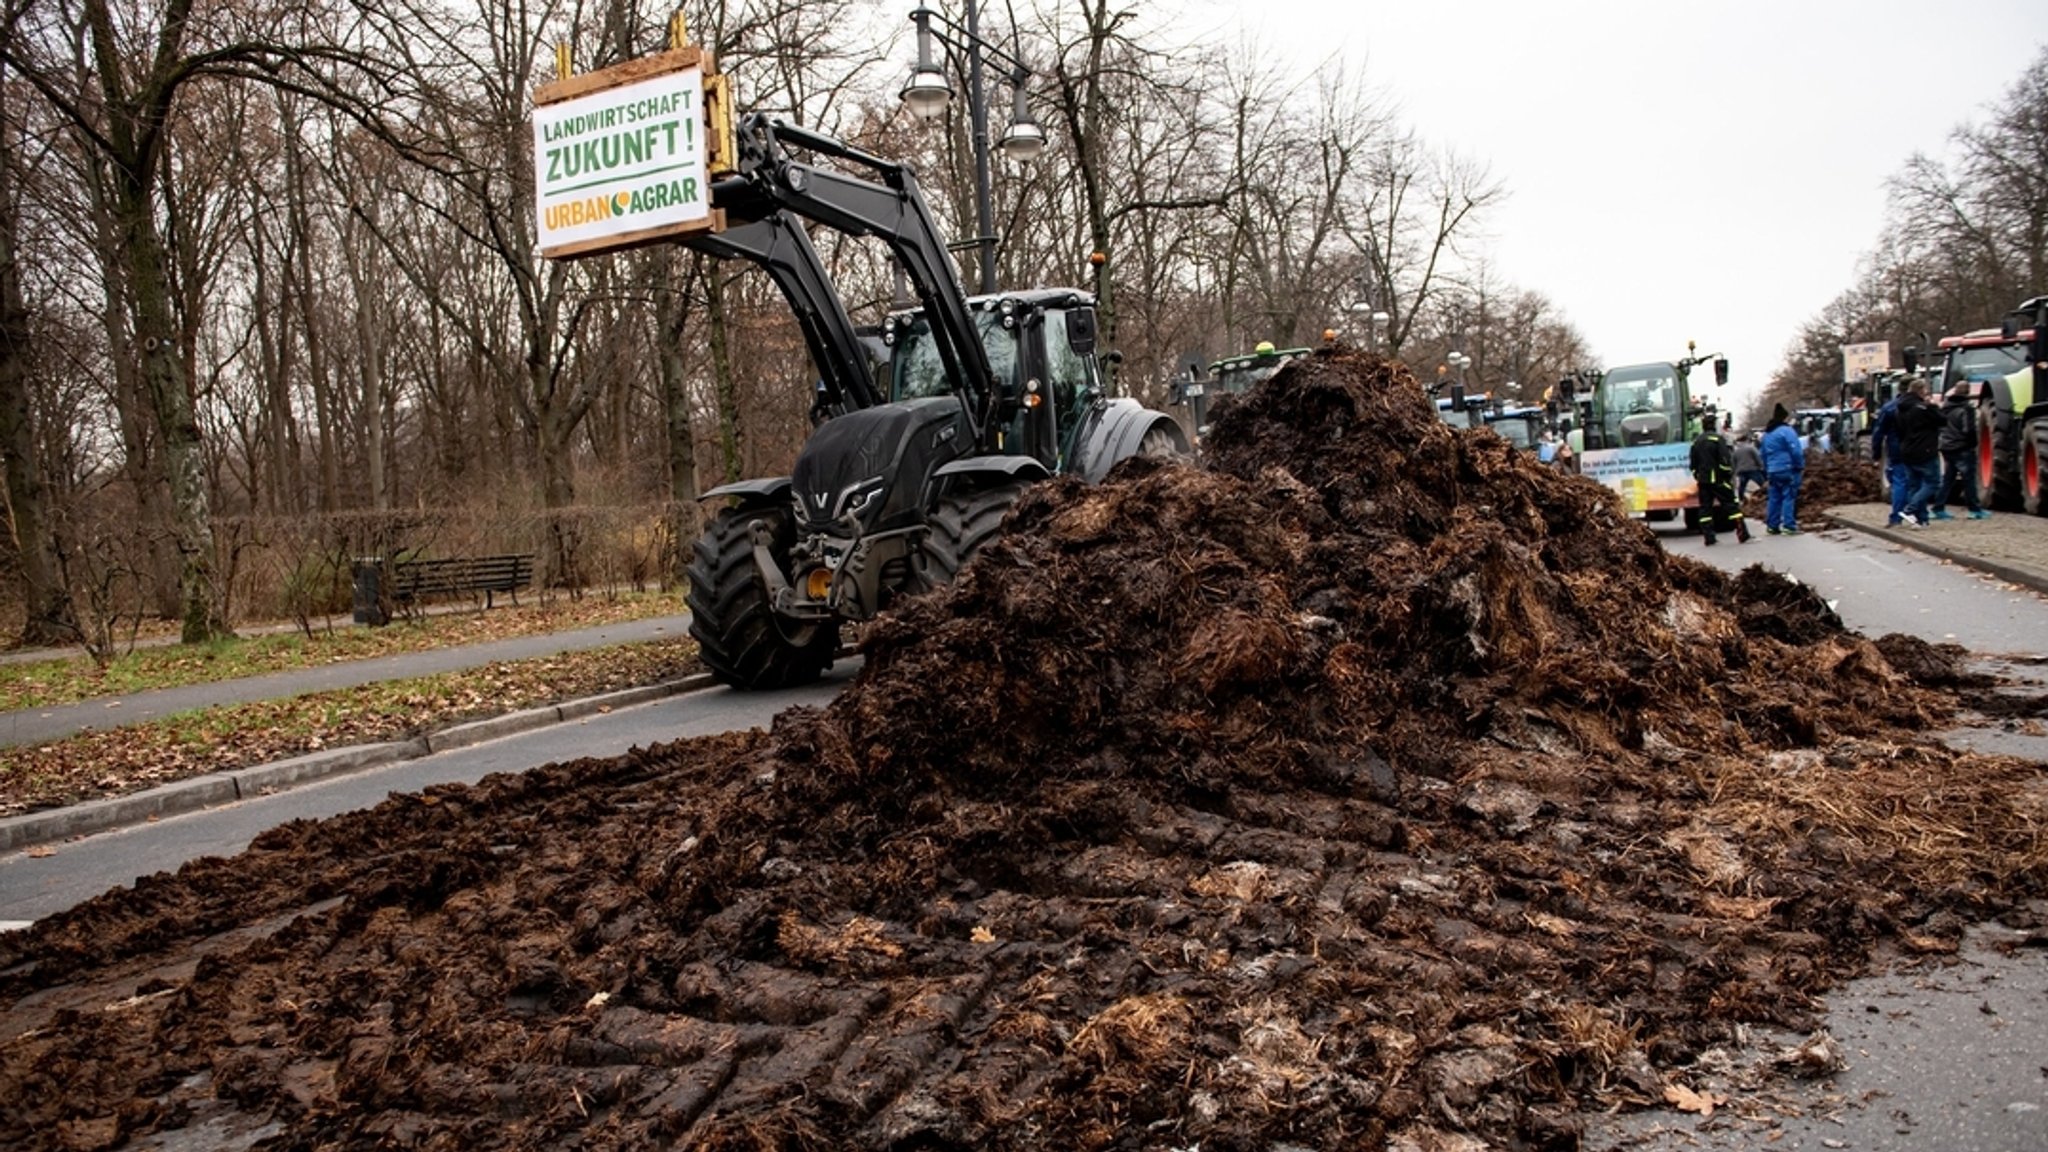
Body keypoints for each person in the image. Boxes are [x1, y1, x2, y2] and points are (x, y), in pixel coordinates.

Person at [1689, 413, 1750, 545]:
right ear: (1714, 426)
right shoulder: (1717, 440)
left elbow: (1693, 464)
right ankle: (1742, 534)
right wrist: (1727, 475)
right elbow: (1725, 460)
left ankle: (1709, 538)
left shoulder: (1696, 442)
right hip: (1719, 480)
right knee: (1731, 505)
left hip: (1703, 481)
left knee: (1705, 509)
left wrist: (1698, 475)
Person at [1932, 384, 1988, 520]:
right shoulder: (1966, 409)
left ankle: (1938, 507)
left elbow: (1940, 427)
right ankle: (1974, 510)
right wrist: (1972, 444)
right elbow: (1968, 430)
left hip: (1946, 446)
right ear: (1968, 393)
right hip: (1962, 447)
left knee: (1948, 479)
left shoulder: (1945, 407)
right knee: (1969, 479)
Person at [1896, 379, 1946, 528]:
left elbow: (1899, 431)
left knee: (1914, 486)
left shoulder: (1899, 409)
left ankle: (1920, 519)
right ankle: (1910, 509)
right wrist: (1933, 406)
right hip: (1925, 450)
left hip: (1906, 450)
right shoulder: (1923, 408)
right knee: (1933, 483)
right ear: (1921, 391)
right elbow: (1943, 421)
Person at [1760, 403, 1807, 534]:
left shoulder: (1767, 435)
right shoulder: (1787, 431)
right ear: (1784, 418)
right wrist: (1799, 465)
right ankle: (1789, 525)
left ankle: (1772, 525)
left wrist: (1767, 468)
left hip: (1772, 471)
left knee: (1774, 497)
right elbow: (1796, 451)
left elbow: (1762, 454)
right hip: (1787, 469)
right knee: (1789, 496)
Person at [1868, 391, 1911, 527]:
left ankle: (1897, 517)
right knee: (1917, 482)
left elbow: (1879, 432)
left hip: (1897, 449)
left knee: (1899, 482)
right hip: (1918, 449)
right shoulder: (1921, 406)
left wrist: (1876, 453)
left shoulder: (1889, 408)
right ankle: (1918, 516)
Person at [1733, 433, 1766, 501]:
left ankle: (1741, 499)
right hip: (1752, 469)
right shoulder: (1751, 448)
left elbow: (1734, 462)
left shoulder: (1736, 451)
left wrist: (1735, 471)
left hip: (1741, 470)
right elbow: (1757, 458)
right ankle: (1766, 496)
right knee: (1762, 484)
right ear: (1747, 440)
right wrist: (1761, 466)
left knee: (1742, 486)